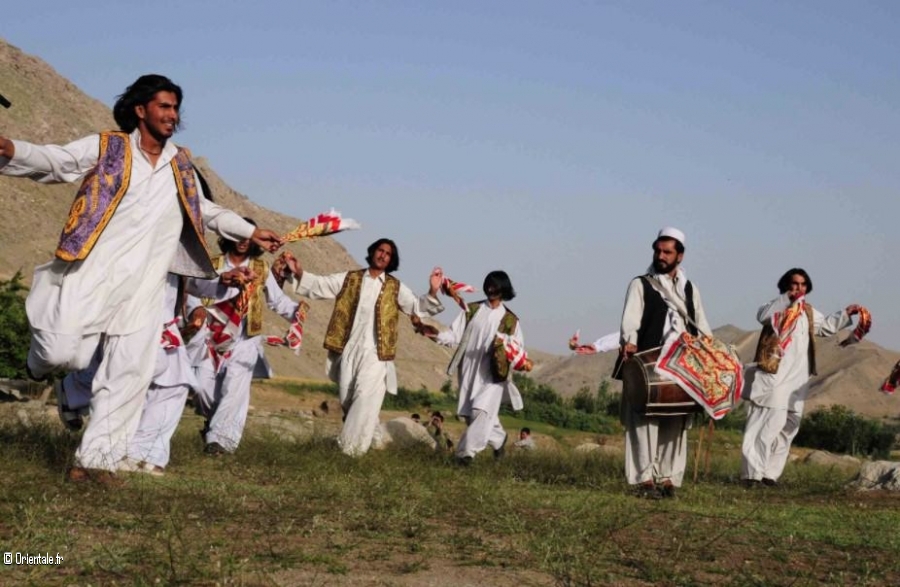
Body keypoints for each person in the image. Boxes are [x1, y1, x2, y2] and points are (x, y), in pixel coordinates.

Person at [0, 74, 282, 481]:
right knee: (64, 354)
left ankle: (96, 462)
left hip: (147, 287)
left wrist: (249, 231)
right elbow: (56, 161)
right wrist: (11, 149)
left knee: (129, 372)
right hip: (94, 272)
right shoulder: (108, 147)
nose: (172, 115)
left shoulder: (180, 165)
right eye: (164, 106)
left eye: (175, 108)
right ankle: (38, 361)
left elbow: (205, 211)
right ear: (140, 109)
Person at [284, 239, 444, 456]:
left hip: (376, 355)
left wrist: (432, 291)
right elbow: (323, 285)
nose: (383, 255)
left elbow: (416, 306)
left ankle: (349, 451)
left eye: (388, 253)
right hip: (348, 350)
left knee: (365, 397)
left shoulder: (395, 287)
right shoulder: (351, 278)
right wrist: (300, 273)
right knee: (349, 400)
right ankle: (375, 439)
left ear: (391, 260)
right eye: (380, 250)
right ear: (372, 252)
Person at [615, 227, 711, 499]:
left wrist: (711, 353)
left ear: (680, 256)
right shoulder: (641, 284)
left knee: (675, 423)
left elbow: (701, 323)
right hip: (650, 360)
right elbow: (630, 321)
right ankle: (644, 480)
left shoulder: (690, 288)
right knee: (644, 423)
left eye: (667, 252)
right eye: (658, 250)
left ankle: (668, 478)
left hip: (683, 364)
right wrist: (629, 342)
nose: (661, 256)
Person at [740, 268, 859, 487]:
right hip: (774, 376)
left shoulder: (808, 312)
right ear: (786, 285)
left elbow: (825, 328)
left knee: (789, 426)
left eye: (803, 284)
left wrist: (845, 313)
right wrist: (786, 299)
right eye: (794, 284)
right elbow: (762, 316)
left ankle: (769, 474)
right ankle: (751, 475)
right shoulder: (776, 307)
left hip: (797, 380)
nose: (798, 288)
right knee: (766, 425)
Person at [194, 218, 301, 455]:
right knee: (201, 386)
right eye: (238, 235)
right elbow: (194, 292)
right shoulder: (212, 264)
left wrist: (297, 314)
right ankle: (213, 423)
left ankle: (219, 442)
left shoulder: (261, 269)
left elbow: (277, 300)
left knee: (234, 389)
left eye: (247, 237)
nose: (242, 241)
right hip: (212, 336)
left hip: (246, 339)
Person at [434, 270, 525, 464]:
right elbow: (454, 335)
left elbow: (517, 349)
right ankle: (499, 439)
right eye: (489, 285)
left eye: (496, 286)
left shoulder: (511, 321)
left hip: (494, 376)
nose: (491, 289)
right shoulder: (472, 310)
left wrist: (519, 361)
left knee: (480, 412)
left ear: (503, 289)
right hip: (469, 370)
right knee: (472, 415)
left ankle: (464, 455)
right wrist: (435, 335)